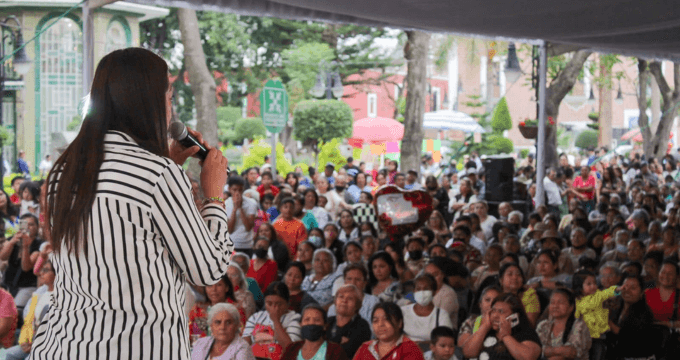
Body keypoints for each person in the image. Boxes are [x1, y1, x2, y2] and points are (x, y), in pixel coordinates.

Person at [31, 48, 232, 360]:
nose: (170, 107)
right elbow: (208, 269)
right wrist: (214, 196)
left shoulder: (65, 169)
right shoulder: (157, 174)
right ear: (147, 101)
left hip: (66, 344)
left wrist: (167, 163)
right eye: (168, 96)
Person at [461, 293, 541, 360]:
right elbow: (468, 353)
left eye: (501, 312)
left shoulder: (526, 333)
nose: (495, 315)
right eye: (493, 310)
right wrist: (484, 326)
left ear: (514, 316)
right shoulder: (488, 331)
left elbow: (527, 357)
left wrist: (505, 335)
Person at [243, 282, 302, 360]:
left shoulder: (294, 318)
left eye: (279, 304)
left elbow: (291, 349)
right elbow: (245, 344)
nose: (274, 308)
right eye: (269, 303)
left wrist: (276, 321)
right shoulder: (256, 317)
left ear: (288, 303)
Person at [608, 275, 658, 360]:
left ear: (642, 292)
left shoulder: (645, 313)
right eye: (625, 287)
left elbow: (627, 337)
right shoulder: (618, 307)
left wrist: (607, 322)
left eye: (633, 288)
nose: (627, 291)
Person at [353, 302, 425, 360]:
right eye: (375, 321)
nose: (380, 324)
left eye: (386, 319)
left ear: (399, 323)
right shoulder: (365, 348)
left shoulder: (411, 349)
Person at [0, 214, 44, 307]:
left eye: (31, 224)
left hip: (27, 286)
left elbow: (26, 267)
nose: (28, 227)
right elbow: (3, 257)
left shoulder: (39, 244)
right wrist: (12, 242)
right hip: (8, 283)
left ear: (37, 227)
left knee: (15, 310)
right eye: (25, 224)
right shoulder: (14, 239)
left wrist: (25, 246)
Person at [536, 288, 591, 360]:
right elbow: (535, 350)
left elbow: (570, 353)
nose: (555, 306)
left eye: (560, 303)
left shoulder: (580, 326)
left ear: (571, 307)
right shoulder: (543, 325)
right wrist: (558, 350)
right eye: (552, 302)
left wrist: (548, 351)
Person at [401, 274, 454, 347]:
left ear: (434, 292)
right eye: (418, 289)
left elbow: (446, 340)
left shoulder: (441, 315)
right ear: (414, 291)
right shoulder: (403, 311)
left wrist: (420, 345)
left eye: (426, 289)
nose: (422, 292)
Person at [281, 303, 349, 360]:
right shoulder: (292, 348)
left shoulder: (335, 351)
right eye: (307, 320)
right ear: (300, 324)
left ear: (325, 325)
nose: (311, 323)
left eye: (317, 320)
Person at [191, 303, 255, 360]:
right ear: (211, 326)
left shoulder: (242, 348)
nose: (222, 327)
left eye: (228, 322)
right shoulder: (201, 343)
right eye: (218, 322)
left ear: (236, 326)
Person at [325, 285, 371, 358]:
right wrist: (339, 339)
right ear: (335, 301)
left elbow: (347, 353)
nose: (344, 301)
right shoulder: (328, 321)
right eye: (341, 297)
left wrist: (330, 342)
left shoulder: (362, 325)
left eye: (350, 298)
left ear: (357, 305)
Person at [226, 176, 258, 256]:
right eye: (234, 190)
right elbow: (230, 229)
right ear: (229, 189)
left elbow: (248, 227)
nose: (237, 193)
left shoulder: (251, 203)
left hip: (247, 244)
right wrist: (234, 209)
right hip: (231, 244)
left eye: (240, 190)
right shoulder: (225, 204)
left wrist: (240, 208)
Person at [645, 259, 680, 326]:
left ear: (677, 276)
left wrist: (671, 324)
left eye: (670, 274)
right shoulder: (647, 293)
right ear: (658, 273)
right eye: (663, 272)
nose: (666, 276)